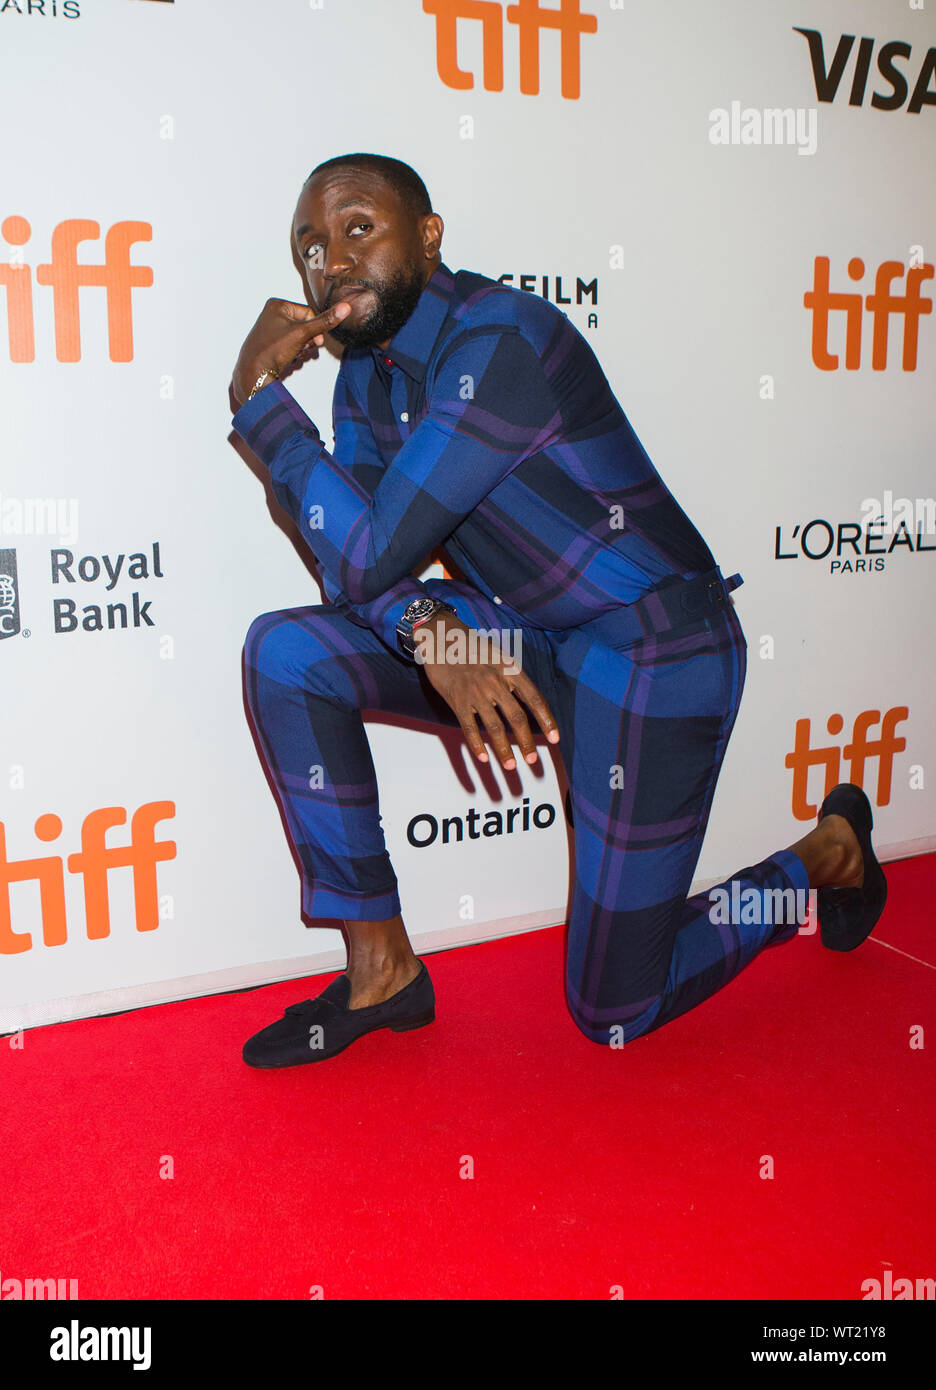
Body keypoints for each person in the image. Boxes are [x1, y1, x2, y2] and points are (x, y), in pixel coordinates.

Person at [229, 153, 886, 1068]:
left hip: (654, 648)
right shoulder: (365, 386)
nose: (329, 261)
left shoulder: (497, 342)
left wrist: (261, 404)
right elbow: (358, 573)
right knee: (288, 654)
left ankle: (826, 857)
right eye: (308, 247)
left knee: (615, 1005)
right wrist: (432, 628)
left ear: (428, 235)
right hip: (534, 643)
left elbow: (368, 549)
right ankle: (382, 970)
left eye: (356, 229)